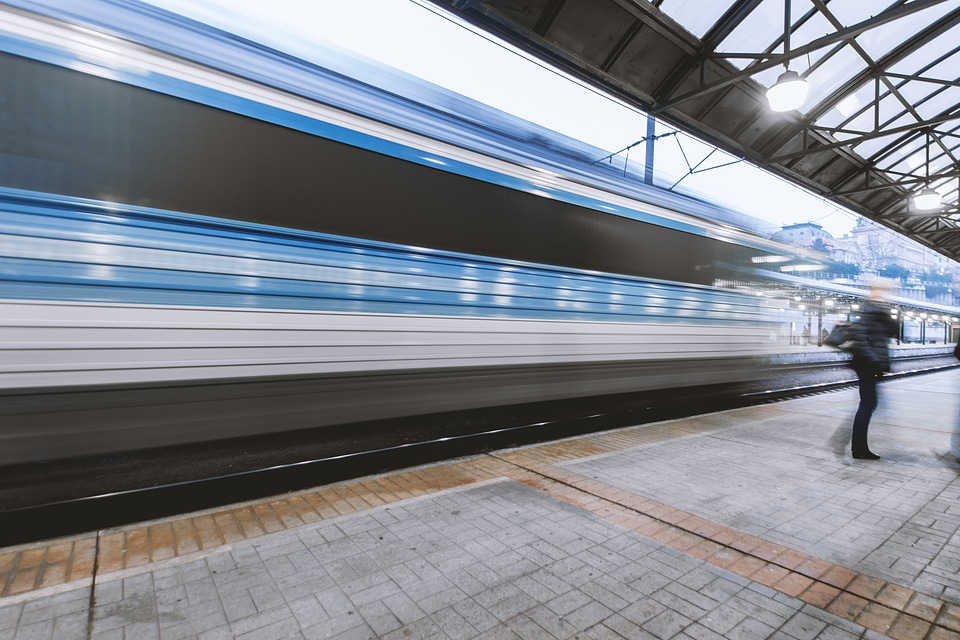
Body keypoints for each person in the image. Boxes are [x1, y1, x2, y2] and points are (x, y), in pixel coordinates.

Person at [848, 279, 899, 460]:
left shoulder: (879, 311)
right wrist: (874, 362)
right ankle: (859, 449)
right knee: (867, 404)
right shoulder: (869, 310)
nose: (883, 294)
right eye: (880, 290)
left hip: (870, 363)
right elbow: (861, 339)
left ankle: (860, 447)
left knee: (869, 404)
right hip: (866, 364)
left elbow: (893, 332)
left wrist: (892, 313)